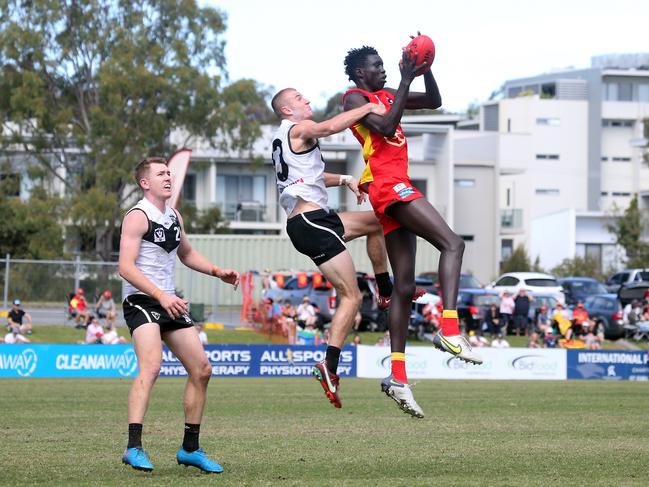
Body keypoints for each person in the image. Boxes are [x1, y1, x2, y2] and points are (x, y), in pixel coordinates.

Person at [271, 87, 419, 414]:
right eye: (300, 99)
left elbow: (310, 177)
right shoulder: (299, 129)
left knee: (380, 220)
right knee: (351, 297)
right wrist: (368, 107)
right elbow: (329, 127)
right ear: (286, 110)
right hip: (311, 222)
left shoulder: (284, 139)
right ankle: (330, 365)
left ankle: (386, 291)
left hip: (317, 219)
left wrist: (347, 179)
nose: (307, 101)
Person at [118, 156, 239, 473]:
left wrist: (217, 271)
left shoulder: (173, 216)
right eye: (161, 174)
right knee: (152, 366)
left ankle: (190, 449)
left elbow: (186, 253)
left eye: (169, 172)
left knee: (202, 369)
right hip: (142, 300)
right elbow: (125, 267)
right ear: (145, 183)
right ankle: (133, 447)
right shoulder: (137, 216)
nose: (168, 177)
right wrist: (160, 294)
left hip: (169, 301)